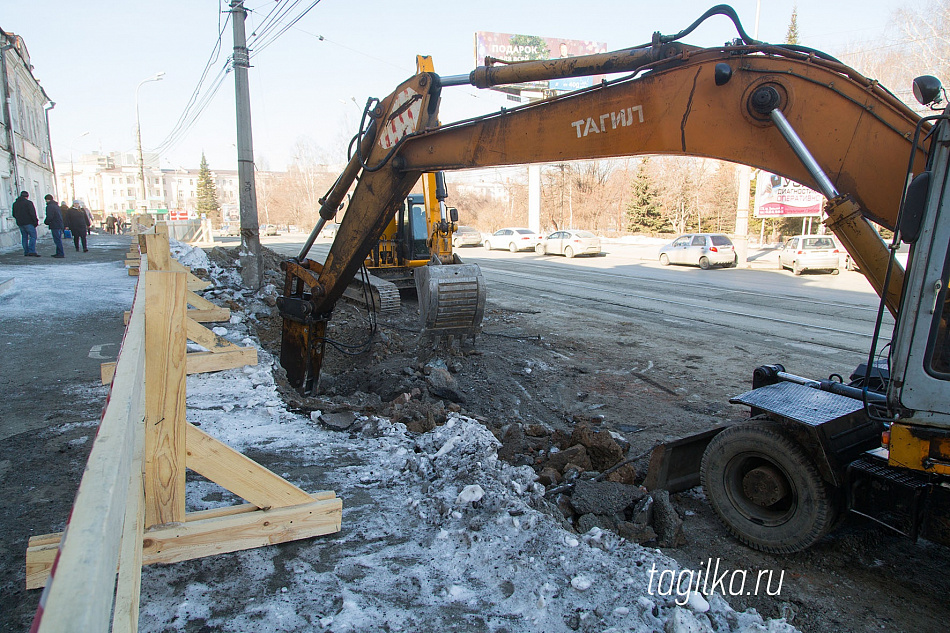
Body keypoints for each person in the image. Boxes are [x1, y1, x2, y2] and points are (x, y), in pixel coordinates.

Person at [12, 191, 40, 257]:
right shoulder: (28, 203)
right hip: (29, 222)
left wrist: (19, 219)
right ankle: (32, 251)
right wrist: (35, 221)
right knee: (33, 236)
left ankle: (26, 251)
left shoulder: (15, 204)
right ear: (27, 196)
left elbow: (13, 214)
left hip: (20, 223)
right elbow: (32, 213)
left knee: (24, 237)